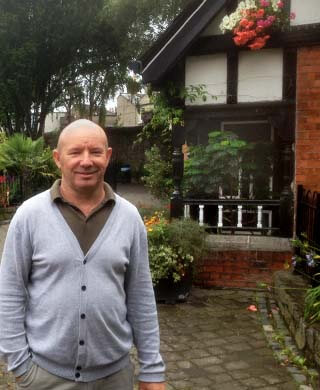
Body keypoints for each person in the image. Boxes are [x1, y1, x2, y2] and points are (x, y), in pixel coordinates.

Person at [0, 119, 166, 390]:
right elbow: (9, 292)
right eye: (75, 152)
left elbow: (141, 296)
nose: (86, 161)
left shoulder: (129, 218)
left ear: (108, 156)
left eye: (95, 152)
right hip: (44, 378)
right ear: (58, 159)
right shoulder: (29, 216)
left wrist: (152, 369)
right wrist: (20, 367)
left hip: (114, 378)